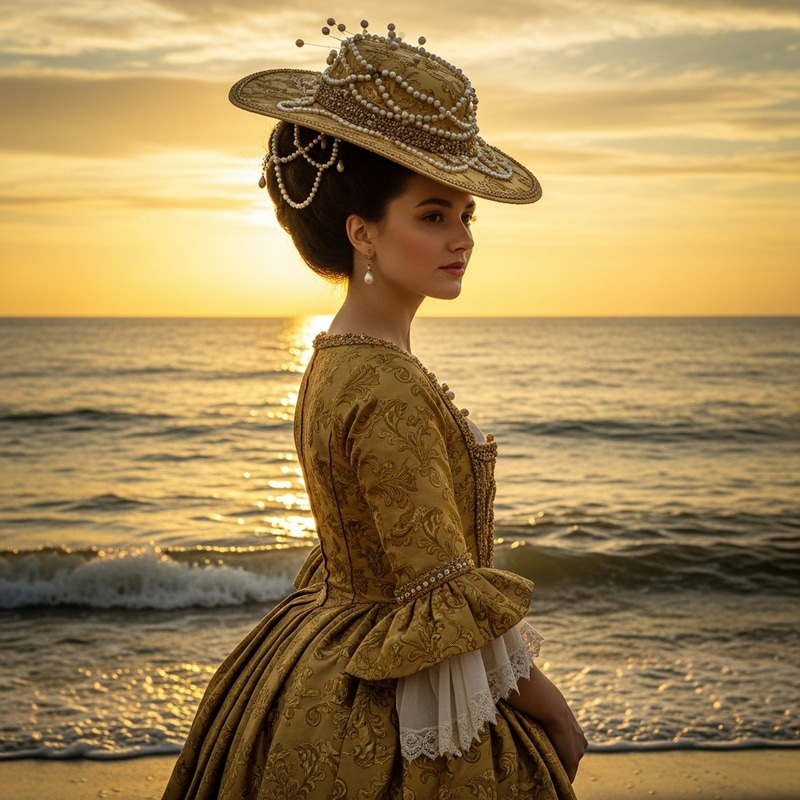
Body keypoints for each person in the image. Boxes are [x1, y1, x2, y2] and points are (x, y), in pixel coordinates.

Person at [162, 19, 587, 800]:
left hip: (310, 654)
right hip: (376, 701)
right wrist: (556, 717)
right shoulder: (385, 385)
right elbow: (438, 594)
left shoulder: (332, 357)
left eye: (466, 215)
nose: (461, 237)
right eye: (433, 215)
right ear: (363, 231)